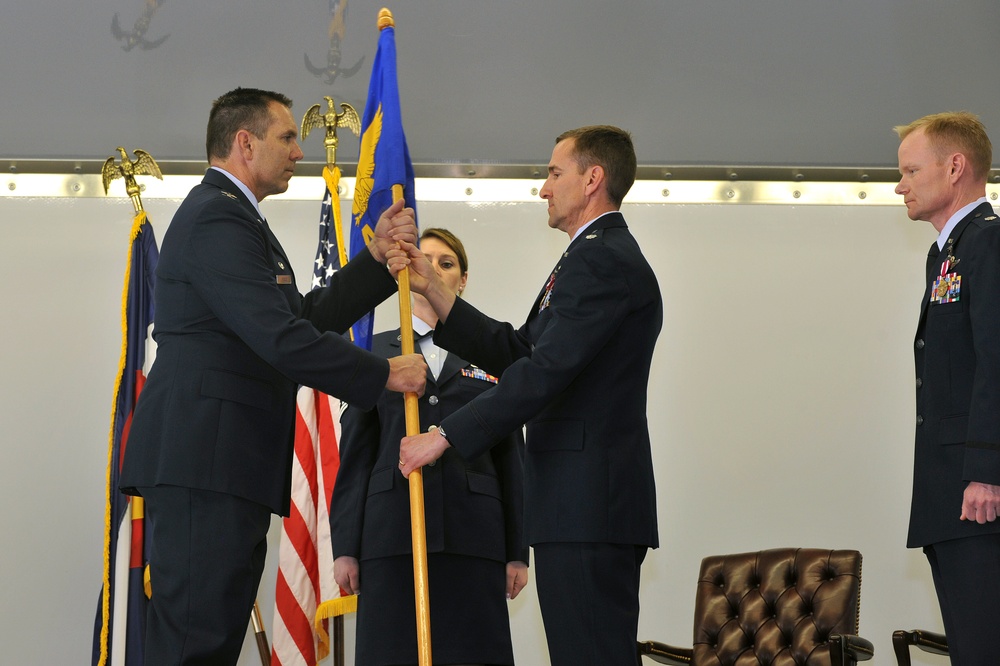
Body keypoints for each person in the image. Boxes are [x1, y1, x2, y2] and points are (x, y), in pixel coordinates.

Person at [118, 87, 427, 665]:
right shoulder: (217, 217)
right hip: (203, 466)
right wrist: (382, 373)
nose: (298, 153)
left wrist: (378, 262)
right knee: (192, 645)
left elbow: (298, 317)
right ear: (244, 142)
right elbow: (280, 338)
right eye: (287, 138)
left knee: (207, 643)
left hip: (223, 466)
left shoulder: (239, 220)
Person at [395, 125, 662, 666]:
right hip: (580, 503)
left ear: (592, 179)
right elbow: (521, 350)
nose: (543, 188)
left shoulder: (601, 258)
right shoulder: (590, 254)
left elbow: (542, 371)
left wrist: (445, 435)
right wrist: (433, 289)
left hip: (589, 502)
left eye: (553, 173)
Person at [330, 227, 529, 666]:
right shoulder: (372, 352)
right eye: (428, 259)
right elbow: (357, 455)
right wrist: (345, 544)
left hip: (474, 537)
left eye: (448, 263)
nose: (435, 270)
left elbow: (511, 456)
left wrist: (517, 550)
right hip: (391, 537)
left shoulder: (489, 352)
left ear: (463, 280)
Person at [895, 111, 1000, 665]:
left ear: (955, 166)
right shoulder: (949, 252)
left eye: (911, 171)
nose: (900, 185)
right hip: (950, 493)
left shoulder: (987, 244)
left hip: (979, 497)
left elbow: (996, 361)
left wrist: (986, 469)